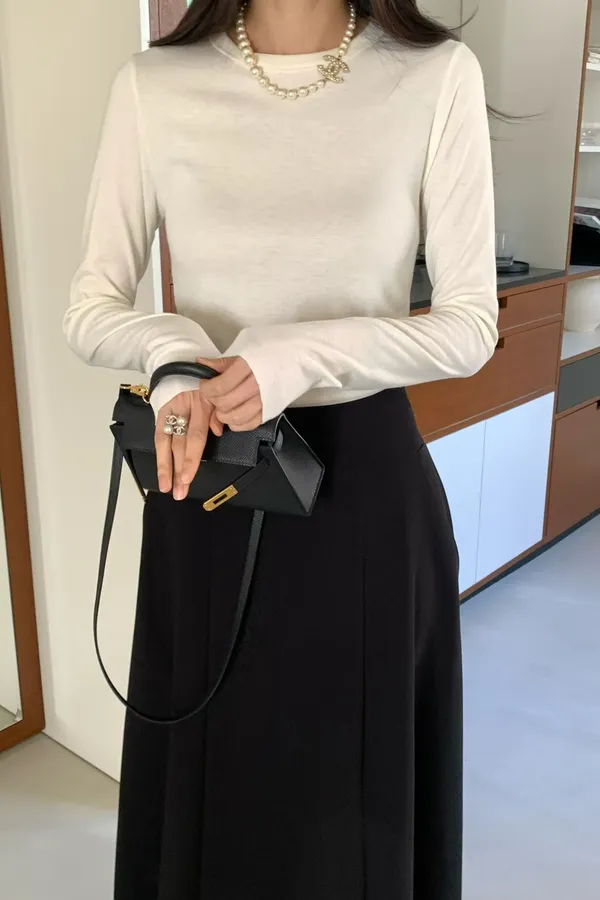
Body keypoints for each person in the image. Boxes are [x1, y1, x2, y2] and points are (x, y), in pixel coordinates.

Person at [64, 0, 498, 897]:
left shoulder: (434, 75)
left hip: (365, 491)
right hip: (215, 477)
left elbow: (468, 327)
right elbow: (91, 306)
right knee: (217, 787)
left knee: (356, 807)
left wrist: (300, 355)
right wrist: (176, 355)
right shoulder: (154, 85)